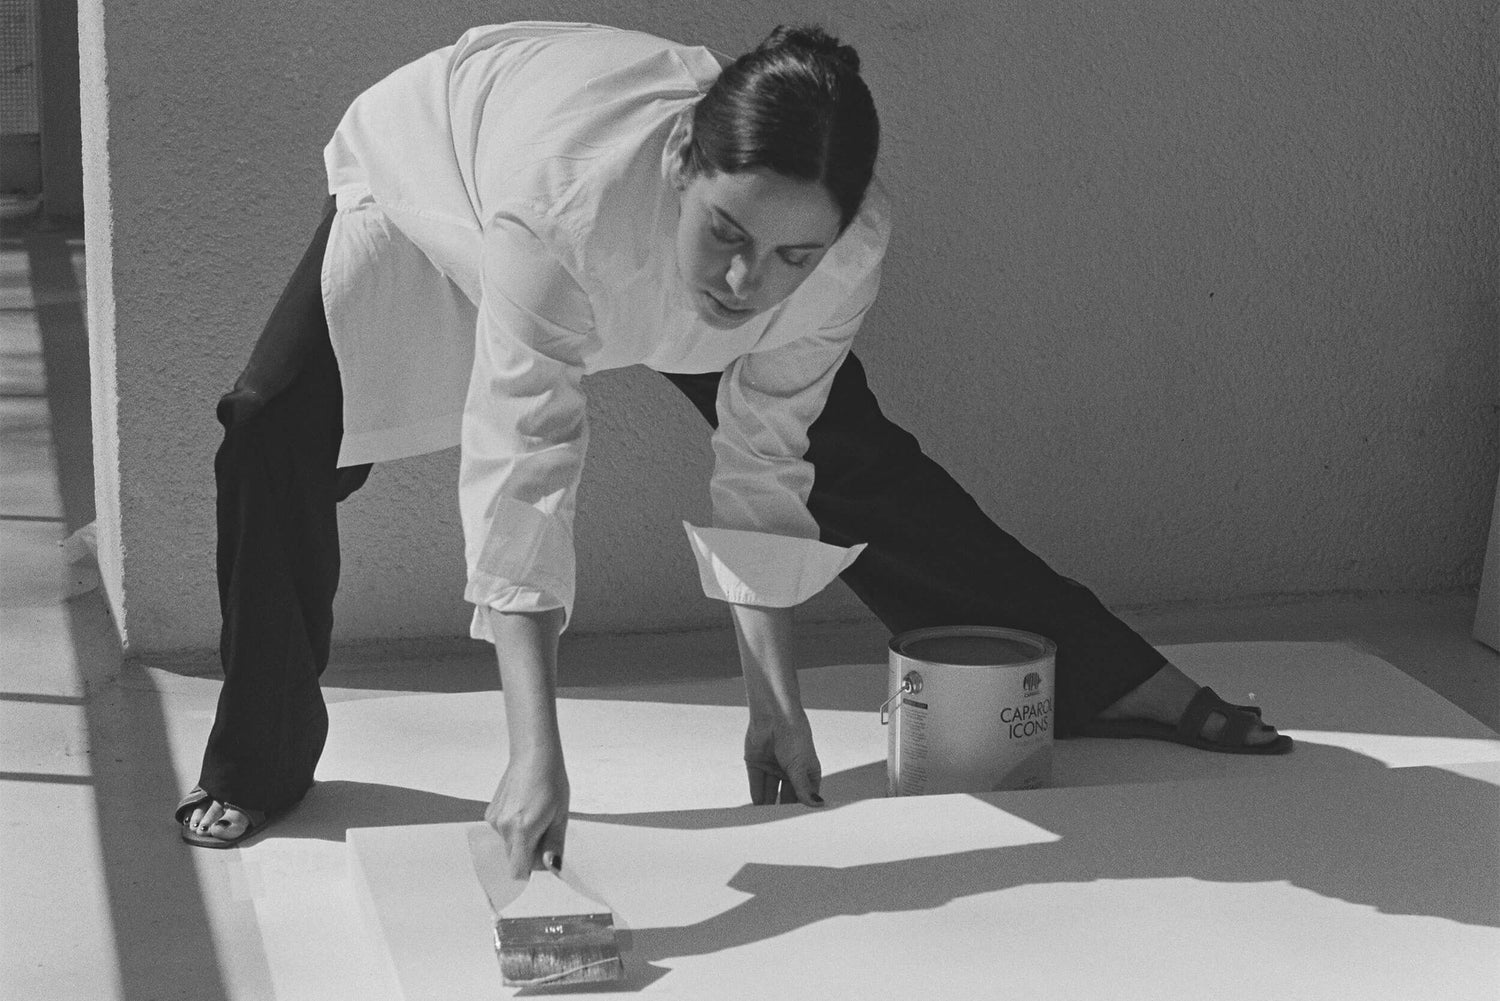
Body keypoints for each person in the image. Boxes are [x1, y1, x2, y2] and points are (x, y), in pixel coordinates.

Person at [176, 21, 1291, 865]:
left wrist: (776, 703)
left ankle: (1107, 676)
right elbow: (524, 469)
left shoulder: (836, 250)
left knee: (851, 461)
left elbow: (767, 463)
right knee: (268, 430)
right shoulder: (564, 209)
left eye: (793, 256)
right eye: (729, 235)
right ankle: (257, 761)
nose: (748, 283)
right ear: (682, 162)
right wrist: (533, 751)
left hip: (613, 229)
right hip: (447, 176)